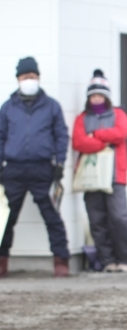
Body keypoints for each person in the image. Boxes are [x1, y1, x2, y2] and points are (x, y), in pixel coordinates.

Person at [0, 56, 70, 278]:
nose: (28, 79)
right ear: (18, 78)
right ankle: (2, 260)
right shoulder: (8, 107)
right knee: (6, 218)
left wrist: (59, 163)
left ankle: (61, 260)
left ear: (38, 77)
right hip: (13, 169)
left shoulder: (51, 106)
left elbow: (61, 136)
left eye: (32, 76)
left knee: (51, 215)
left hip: (42, 169)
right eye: (24, 76)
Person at [71, 69, 127, 272]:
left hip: (115, 175)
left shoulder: (118, 114)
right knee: (97, 219)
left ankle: (123, 258)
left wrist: (95, 134)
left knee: (119, 217)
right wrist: (103, 142)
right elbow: (80, 142)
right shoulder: (82, 118)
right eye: (93, 96)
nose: (96, 99)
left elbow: (121, 133)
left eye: (100, 95)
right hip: (91, 177)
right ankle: (107, 261)